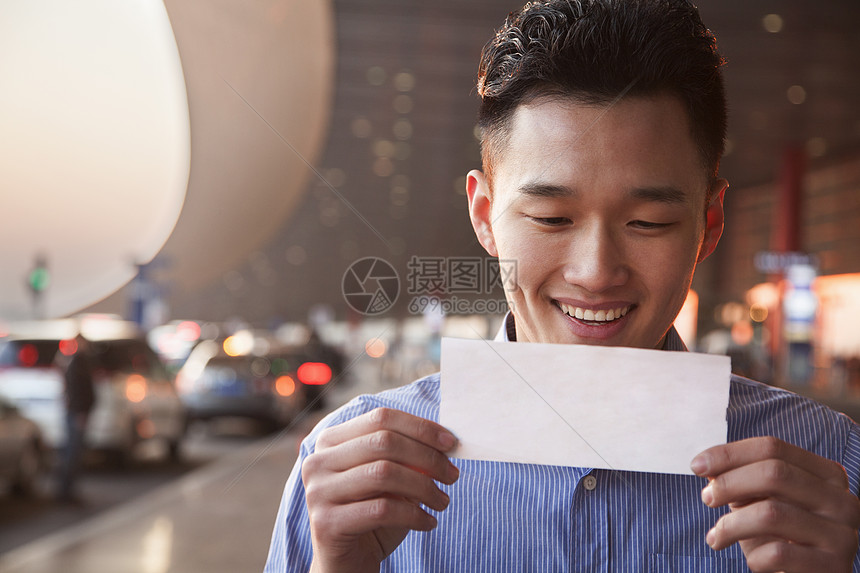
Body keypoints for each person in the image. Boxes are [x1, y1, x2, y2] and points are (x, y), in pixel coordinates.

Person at [265, 1, 860, 571]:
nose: (596, 271)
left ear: (709, 224)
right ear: (484, 216)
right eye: (551, 219)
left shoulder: (830, 469)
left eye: (648, 223)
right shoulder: (345, 476)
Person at [56, 333, 96, 502]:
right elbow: (78, 390)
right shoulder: (77, 362)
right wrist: (80, 411)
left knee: (73, 452)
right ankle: (66, 492)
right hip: (77, 413)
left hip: (77, 412)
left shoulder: (76, 361)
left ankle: (67, 491)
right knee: (73, 453)